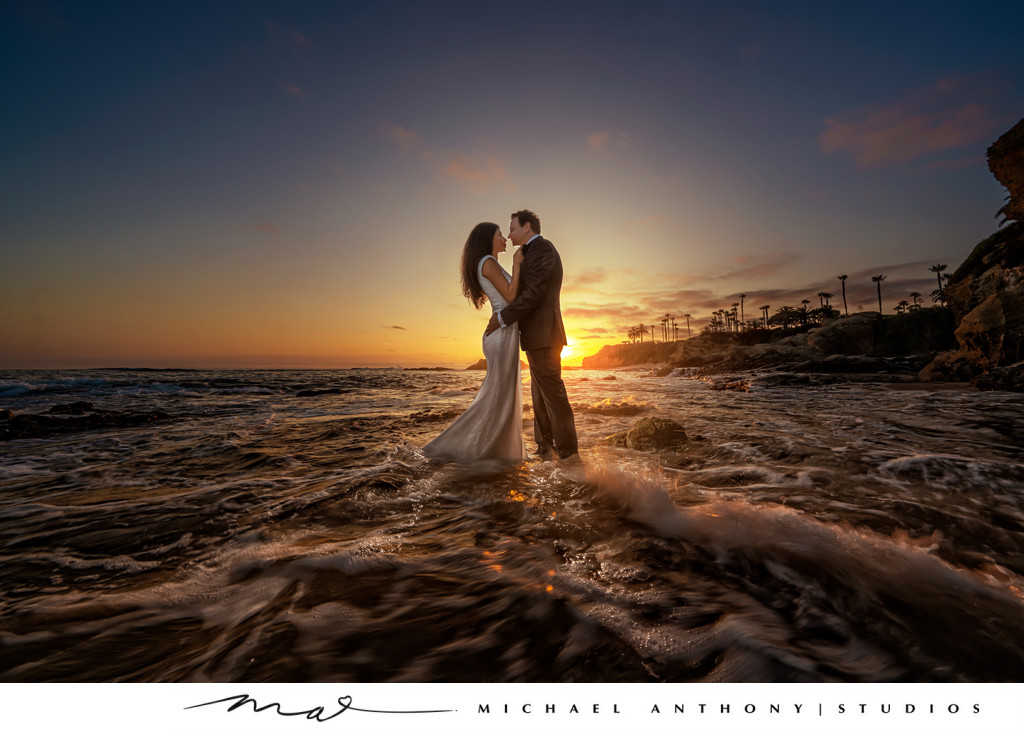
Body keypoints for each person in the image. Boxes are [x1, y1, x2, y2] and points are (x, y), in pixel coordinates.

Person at [423, 222, 527, 462]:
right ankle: (471, 451)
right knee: (498, 395)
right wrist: (516, 264)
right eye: (500, 234)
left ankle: (497, 452)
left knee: (502, 395)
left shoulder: (489, 263)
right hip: (501, 334)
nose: (504, 238)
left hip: (504, 332)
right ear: (487, 239)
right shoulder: (488, 263)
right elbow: (511, 296)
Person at [485, 209, 578, 461]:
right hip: (538, 336)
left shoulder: (543, 249)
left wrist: (503, 318)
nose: (509, 234)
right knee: (540, 396)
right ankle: (546, 451)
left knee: (553, 395)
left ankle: (570, 457)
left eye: (512, 228)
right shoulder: (529, 253)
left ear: (527, 227)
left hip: (545, 334)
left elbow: (534, 294)